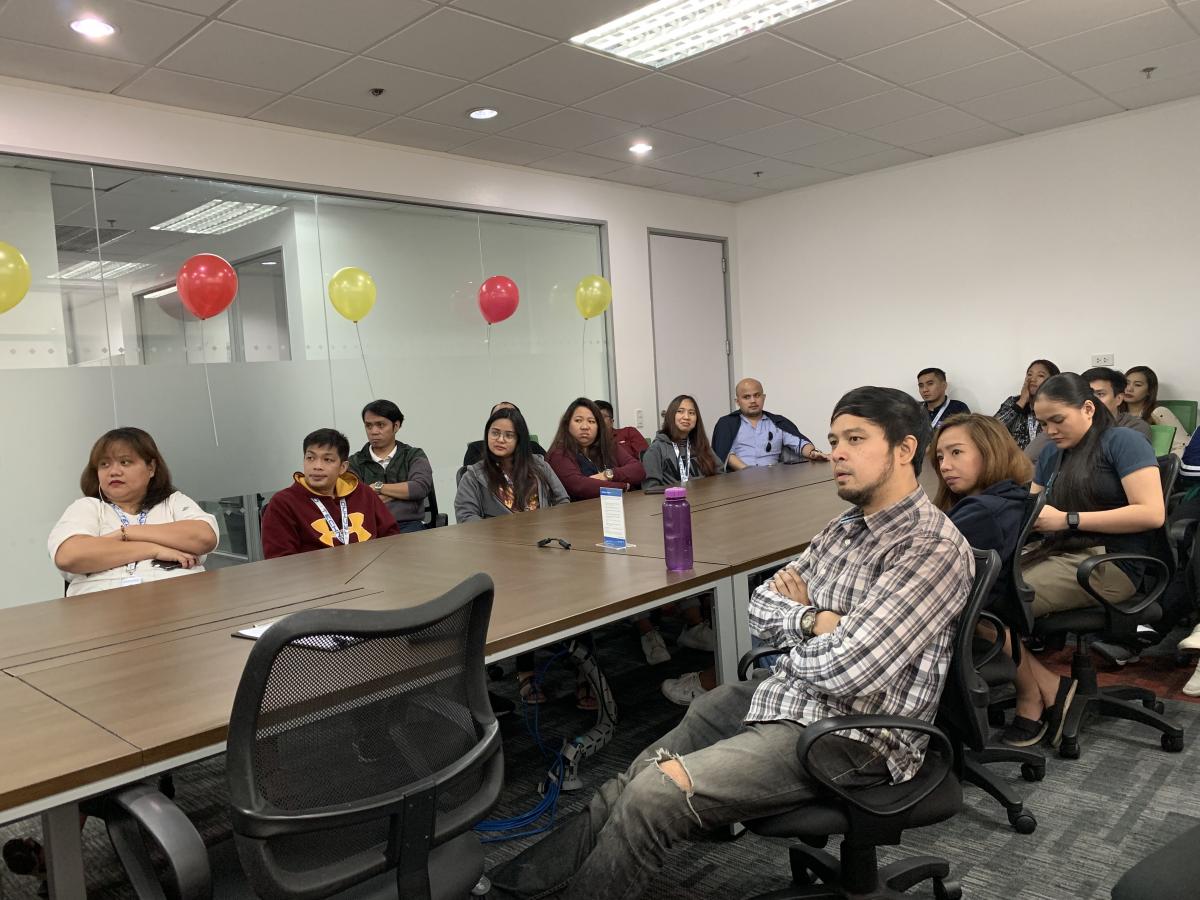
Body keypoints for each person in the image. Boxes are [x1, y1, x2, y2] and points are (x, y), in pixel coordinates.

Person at [489, 386, 974, 900]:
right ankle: (509, 888)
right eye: (834, 440)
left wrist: (805, 629)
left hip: (853, 736)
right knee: (633, 777)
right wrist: (817, 621)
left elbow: (850, 670)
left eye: (855, 439)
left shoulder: (931, 547)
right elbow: (760, 603)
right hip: (788, 696)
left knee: (655, 795)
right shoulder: (845, 527)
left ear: (904, 450)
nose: (836, 453)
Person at [1004, 373, 1164, 747]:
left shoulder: (1122, 441)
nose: (1050, 430)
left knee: (994, 599)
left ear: (1088, 408)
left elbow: (1152, 513)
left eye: (1057, 420)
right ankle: (1046, 685)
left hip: (1111, 563)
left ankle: (1032, 694)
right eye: (1043, 423)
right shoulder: (1052, 454)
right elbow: (1032, 510)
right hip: (1063, 552)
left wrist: (1068, 520)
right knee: (975, 585)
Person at [455, 407, 573, 705]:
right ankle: (525, 673)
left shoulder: (539, 467)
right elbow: (466, 517)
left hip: (544, 550)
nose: (500, 439)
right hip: (502, 557)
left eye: (508, 435)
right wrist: (502, 538)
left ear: (520, 440)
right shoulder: (474, 475)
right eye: (495, 433)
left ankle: (586, 669)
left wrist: (549, 528)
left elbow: (563, 501)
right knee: (523, 601)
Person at [48, 427, 219, 596]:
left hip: (175, 599)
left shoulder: (173, 502)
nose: (114, 472)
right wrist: (154, 550)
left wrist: (126, 533)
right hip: (102, 603)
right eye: (104, 464)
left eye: (125, 462)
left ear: (151, 468)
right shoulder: (87, 507)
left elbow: (204, 538)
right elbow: (69, 556)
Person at [931, 414, 1032, 610]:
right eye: (940, 457)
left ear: (990, 452)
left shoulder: (983, 512)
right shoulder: (1009, 497)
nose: (944, 466)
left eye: (956, 452)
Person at [261, 428, 400, 558]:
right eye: (310, 458)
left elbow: (392, 538)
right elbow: (280, 561)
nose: (317, 466)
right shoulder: (284, 503)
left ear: (342, 467)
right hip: (315, 575)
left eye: (327, 459)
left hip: (371, 570)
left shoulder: (363, 493)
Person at [1023, 367, 1151, 462]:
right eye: (1087, 394)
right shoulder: (1062, 429)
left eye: (1100, 394)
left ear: (1118, 398)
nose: (1092, 400)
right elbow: (1028, 458)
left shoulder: (1133, 430)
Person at [346, 399, 433, 533]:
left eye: (380, 425)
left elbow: (419, 488)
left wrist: (378, 488)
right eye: (368, 426)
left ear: (396, 426)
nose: (374, 431)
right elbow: (355, 499)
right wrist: (400, 493)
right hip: (369, 527)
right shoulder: (354, 462)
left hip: (408, 525)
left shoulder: (413, 455)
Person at [713, 378, 827, 469]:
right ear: (737, 401)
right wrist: (747, 471)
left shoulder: (778, 422)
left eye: (757, 395)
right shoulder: (726, 424)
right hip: (738, 479)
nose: (753, 401)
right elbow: (725, 453)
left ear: (764, 397)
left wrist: (813, 452)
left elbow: (800, 444)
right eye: (747, 397)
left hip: (773, 479)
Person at [546, 398, 645, 499]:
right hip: (583, 508)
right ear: (567, 424)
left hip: (620, 504)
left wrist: (607, 475)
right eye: (578, 420)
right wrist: (623, 487)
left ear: (599, 426)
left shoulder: (609, 446)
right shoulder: (559, 453)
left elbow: (639, 470)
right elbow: (579, 486)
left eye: (591, 421)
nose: (585, 426)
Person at [1123, 365, 1190, 455]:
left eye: (1137, 385)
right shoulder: (1115, 413)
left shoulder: (1159, 412)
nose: (1129, 389)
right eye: (1126, 383)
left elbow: (1183, 445)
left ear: (1149, 391)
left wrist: (1162, 462)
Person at [995, 359, 1060, 450]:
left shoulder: (1058, 406)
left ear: (1052, 381)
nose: (1032, 379)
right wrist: (1021, 402)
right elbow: (992, 429)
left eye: (1040, 375)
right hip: (1014, 458)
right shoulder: (1013, 402)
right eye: (1029, 374)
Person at [463, 401, 547, 466]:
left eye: (511, 415)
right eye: (498, 415)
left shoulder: (534, 448)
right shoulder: (476, 449)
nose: (501, 439)